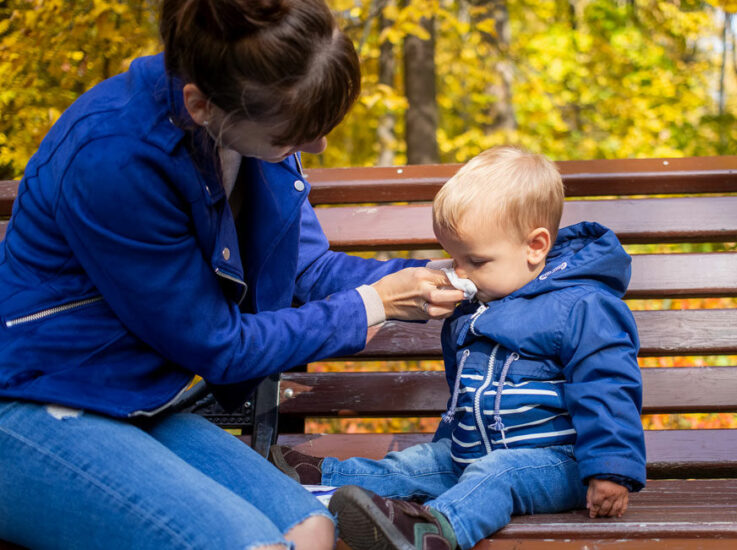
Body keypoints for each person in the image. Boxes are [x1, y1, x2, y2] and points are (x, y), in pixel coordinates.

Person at [0, 1, 464, 549]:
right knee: (248, 544)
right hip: (33, 400)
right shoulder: (113, 159)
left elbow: (308, 270)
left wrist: (430, 275)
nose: (313, 147)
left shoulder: (252, 102)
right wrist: (372, 305)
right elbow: (216, 345)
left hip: (138, 401)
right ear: (200, 105)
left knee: (312, 528)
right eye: (294, 135)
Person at [271, 146, 647, 550]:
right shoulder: (482, 299)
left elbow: (608, 386)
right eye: (453, 258)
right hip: (471, 454)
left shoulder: (583, 305)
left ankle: (433, 533)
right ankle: (318, 480)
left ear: (535, 246)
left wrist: (610, 469)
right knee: (416, 463)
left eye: (476, 260)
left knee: (498, 474)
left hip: (557, 463)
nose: (459, 274)